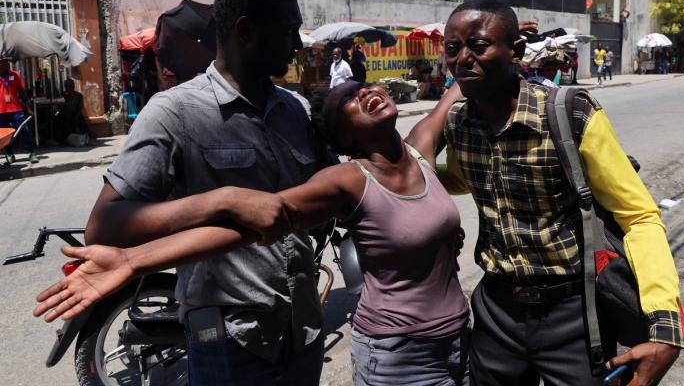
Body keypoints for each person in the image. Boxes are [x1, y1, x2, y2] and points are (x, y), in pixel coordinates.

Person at [34, 81, 472, 385]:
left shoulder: (420, 151)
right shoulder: (347, 180)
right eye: (353, 101)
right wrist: (132, 260)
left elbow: (455, 92)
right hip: (400, 355)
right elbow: (250, 226)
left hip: (458, 338)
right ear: (343, 136)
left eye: (366, 88)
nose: (368, 94)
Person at [53, 0, 331, 385]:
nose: (296, 44)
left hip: (302, 330)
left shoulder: (296, 109)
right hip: (229, 344)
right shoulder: (174, 113)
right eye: (288, 30)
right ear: (245, 31)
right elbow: (105, 225)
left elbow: (328, 197)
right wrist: (223, 199)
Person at [418, 0, 683, 385]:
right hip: (496, 310)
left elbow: (638, 215)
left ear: (517, 52)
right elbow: (463, 178)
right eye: (453, 48)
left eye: (478, 46)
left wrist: (664, 323)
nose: (462, 60)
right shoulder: (458, 122)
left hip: (573, 312)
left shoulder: (568, 112)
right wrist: (390, 174)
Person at [0, 57, 38, 164]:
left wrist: (28, 108)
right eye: (3, 62)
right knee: (5, 136)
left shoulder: (15, 75)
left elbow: (22, 92)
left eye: (7, 62)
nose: (7, 64)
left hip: (15, 109)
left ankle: (31, 152)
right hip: (1, 111)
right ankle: (9, 154)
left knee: (23, 130)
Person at [58, 78, 94, 143]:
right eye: (67, 87)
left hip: (76, 113)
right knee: (61, 119)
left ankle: (87, 136)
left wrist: (75, 116)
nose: (69, 88)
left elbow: (80, 107)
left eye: (70, 86)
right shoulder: (62, 95)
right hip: (65, 114)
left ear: (73, 87)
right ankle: (63, 138)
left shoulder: (79, 95)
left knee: (80, 119)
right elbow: (60, 107)